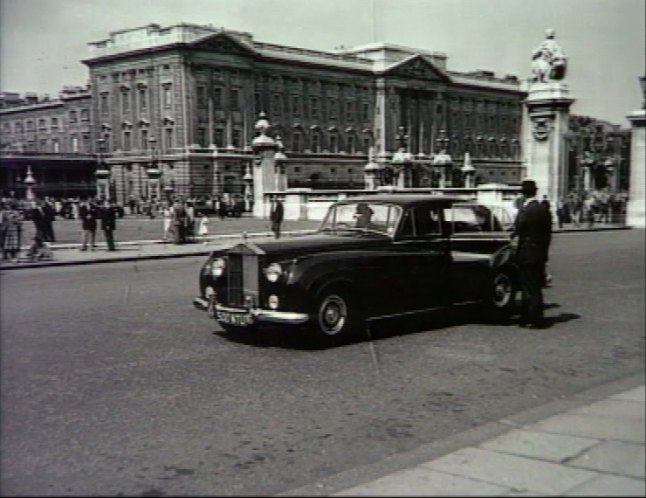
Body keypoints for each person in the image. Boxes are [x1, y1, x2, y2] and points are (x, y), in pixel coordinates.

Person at [511, 179, 552, 329]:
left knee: (527, 286)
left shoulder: (525, 210)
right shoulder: (543, 209)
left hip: (526, 253)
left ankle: (529, 318)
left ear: (523, 194)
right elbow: (548, 234)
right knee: (536, 286)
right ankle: (537, 317)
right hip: (540, 253)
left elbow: (517, 228)